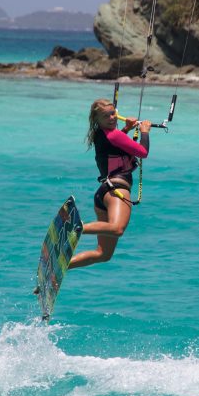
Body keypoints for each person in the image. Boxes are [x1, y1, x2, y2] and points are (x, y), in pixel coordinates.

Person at [68, 99, 150, 269]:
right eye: (106, 116)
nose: (112, 118)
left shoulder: (101, 133)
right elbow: (142, 153)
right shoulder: (114, 134)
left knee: (103, 254)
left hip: (103, 194)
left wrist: (127, 128)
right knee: (117, 228)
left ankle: (63, 266)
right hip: (117, 190)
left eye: (113, 113)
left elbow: (116, 144)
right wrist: (145, 131)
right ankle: (77, 227)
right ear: (96, 119)